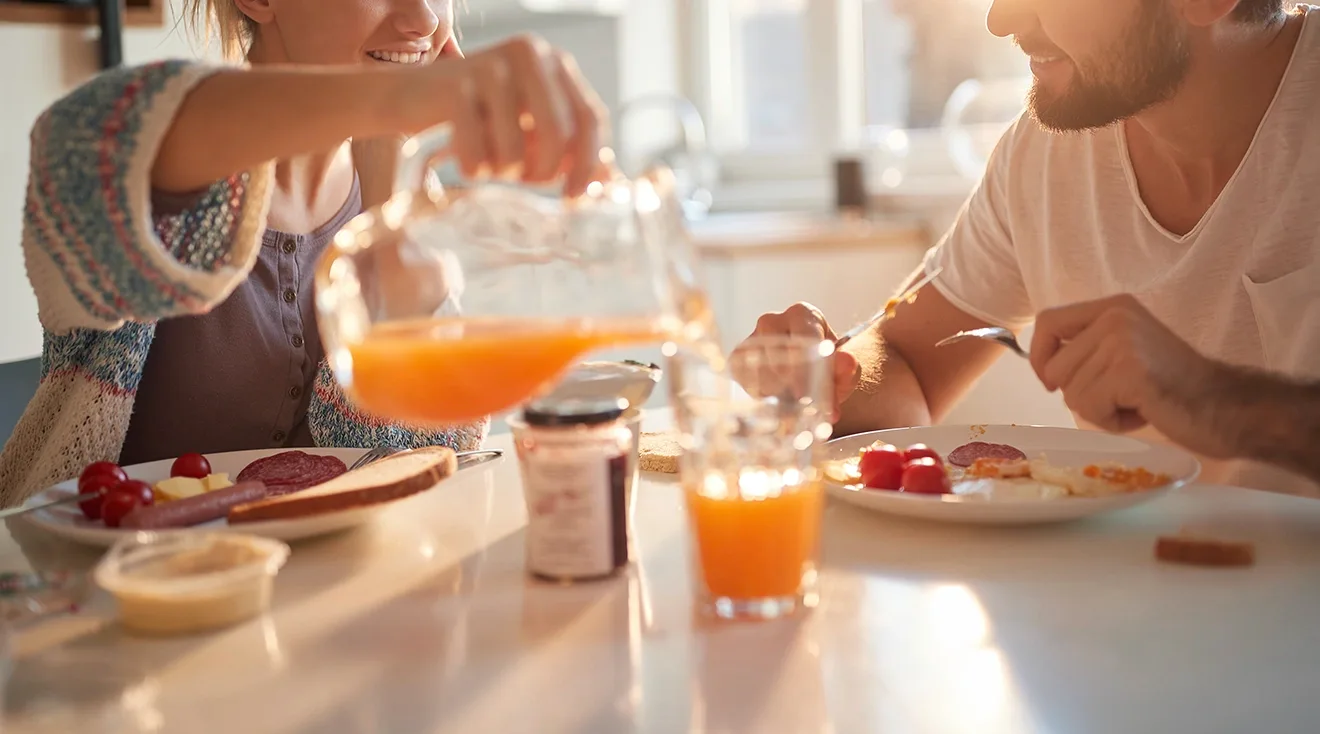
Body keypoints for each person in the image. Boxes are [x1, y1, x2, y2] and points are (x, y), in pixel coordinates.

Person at [0, 0, 609, 507]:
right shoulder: (169, 182)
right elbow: (81, 139)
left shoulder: (411, 210)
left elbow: (420, 477)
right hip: (102, 617)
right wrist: (396, 98)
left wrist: (385, 228)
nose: (424, 17)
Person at [743, 0, 1320, 494]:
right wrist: (824, 377)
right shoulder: (1045, 154)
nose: (1000, 19)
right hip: (1124, 603)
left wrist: (1228, 403)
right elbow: (909, 364)